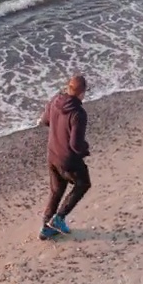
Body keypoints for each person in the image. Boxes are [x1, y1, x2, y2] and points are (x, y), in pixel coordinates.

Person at [37, 74, 92, 240]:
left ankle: (46, 227)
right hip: (68, 160)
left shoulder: (55, 100)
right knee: (83, 184)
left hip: (52, 155)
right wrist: (85, 149)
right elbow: (76, 145)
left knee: (56, 190)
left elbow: (45, 121)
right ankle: (59, 218)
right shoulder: (78, 113)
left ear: (68, 87)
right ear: (82, 92)